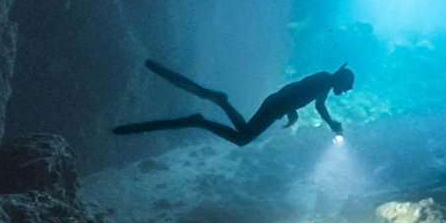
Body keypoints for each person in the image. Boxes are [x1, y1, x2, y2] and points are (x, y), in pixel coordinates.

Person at [113, 60, 354, 145]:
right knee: (243, 138)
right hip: (275, 106)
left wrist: (295, 113)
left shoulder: (324, 82)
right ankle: (201, 119)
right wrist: (294, 112)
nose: (343, 92)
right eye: (345, 88)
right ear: (341, 79)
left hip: (277, 106)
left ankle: (217, 105)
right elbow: (299, 92)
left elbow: (311, 101)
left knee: (243, 134)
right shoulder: (324, 79)